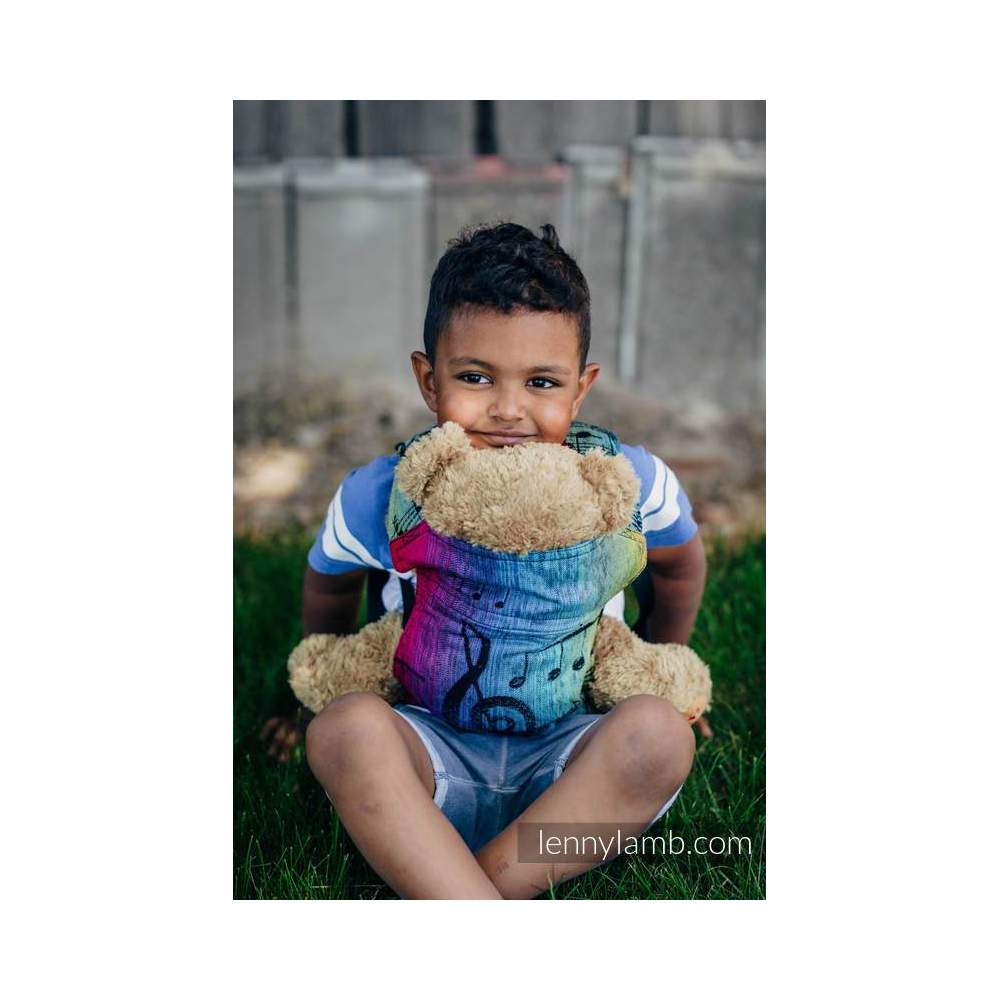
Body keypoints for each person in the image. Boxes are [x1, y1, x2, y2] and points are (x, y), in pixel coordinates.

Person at [261, 222, 707, 899]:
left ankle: (476, 890)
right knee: (344, 730)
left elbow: (679, 566)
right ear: (428, 379)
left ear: (581, 389)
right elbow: (330, 583)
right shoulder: (384, 492)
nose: (507, 409)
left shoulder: (628, 482)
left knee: (661, 738)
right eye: (474, 377)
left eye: (542, 382)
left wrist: (663, 660)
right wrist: (311, 687)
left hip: (571, 766)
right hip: (425, 753)